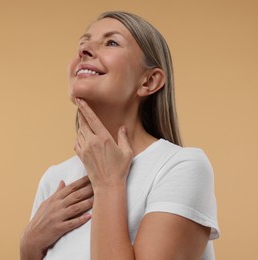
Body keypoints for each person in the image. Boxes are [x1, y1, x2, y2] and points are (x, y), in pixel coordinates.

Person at [20, 11, 220, 260]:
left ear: (149, 81)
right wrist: (29, 248)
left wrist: (108, 184)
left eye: (111, 42)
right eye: (83, 44)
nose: (84, 51)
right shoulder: (55, 179)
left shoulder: (182, 167)